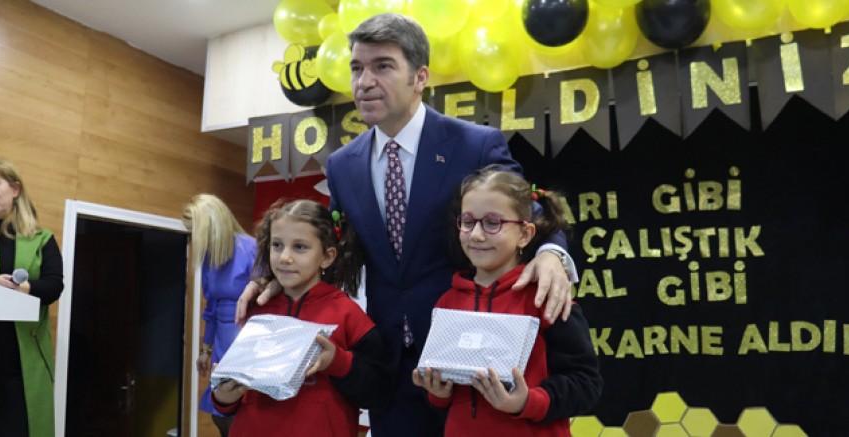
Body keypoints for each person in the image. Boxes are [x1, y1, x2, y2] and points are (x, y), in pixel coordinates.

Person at [237, 13, 578, 436]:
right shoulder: (343, 165)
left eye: (382, 66)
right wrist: (269, 276)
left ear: (420, 77)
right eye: (357, 68)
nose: (364, 82)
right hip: (390, 368)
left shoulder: (474, 144)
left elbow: (528, 207)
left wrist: (551, 253)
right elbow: (332, 243)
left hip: (468, 364)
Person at [412, 166, 602, 436]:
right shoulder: (447, 303)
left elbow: (586, 384)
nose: (476, 234)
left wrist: (528, 402)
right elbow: (446, 395)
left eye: (493, 223)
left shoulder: (546, 297)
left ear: (525, 234)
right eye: (468, 221)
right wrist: (438, 393)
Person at [213, 200, 390, 436]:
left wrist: (337, 361)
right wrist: (223, 398)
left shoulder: (348, 314)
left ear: (327, 257)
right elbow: (234, 394)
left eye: (300, 247)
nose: (285, 257)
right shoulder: (256, 310)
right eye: (277, 245)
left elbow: (378, 393)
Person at [0, 157, 64, 437]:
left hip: (22, 364)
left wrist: (20, 288)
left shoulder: (41, 238)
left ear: (15, 189)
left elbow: (53, 286)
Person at [182, 194, 257, 437]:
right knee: (221, 415)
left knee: (245, 416)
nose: (196, 238)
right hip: (222, 347)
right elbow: (211, 310)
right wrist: (205, 350)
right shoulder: (209, 258)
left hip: (248, 342)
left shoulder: (250, 248)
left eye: (197, 230)